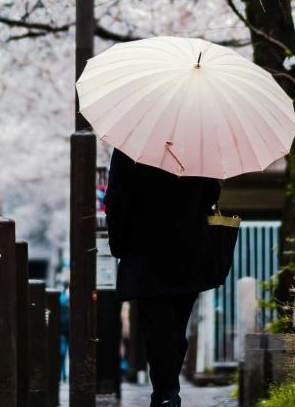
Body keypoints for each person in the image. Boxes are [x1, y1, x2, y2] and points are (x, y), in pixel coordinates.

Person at [104, 148, 221, 407]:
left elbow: (116, 200)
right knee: (176, 328)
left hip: (145, 251)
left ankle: (165, 393)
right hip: (188, 249)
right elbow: (211, 193)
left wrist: (119, 245)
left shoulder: (132, 147)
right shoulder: (198, 144)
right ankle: (167, 392)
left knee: (157, 329)